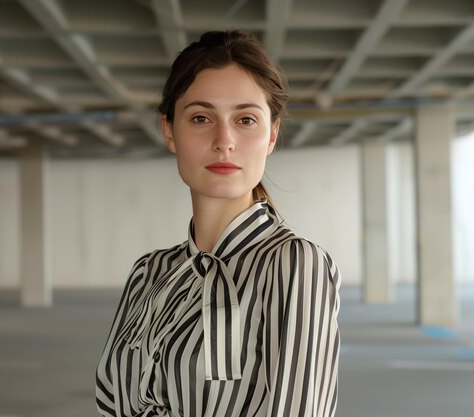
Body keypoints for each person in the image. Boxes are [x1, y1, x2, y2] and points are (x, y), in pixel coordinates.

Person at [95, 30, 341, 417]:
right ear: (169, 131)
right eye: (200, 117)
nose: (224, 140)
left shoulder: (294, 264)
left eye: (245, 119)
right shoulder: (149, 272)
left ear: (272, 134)